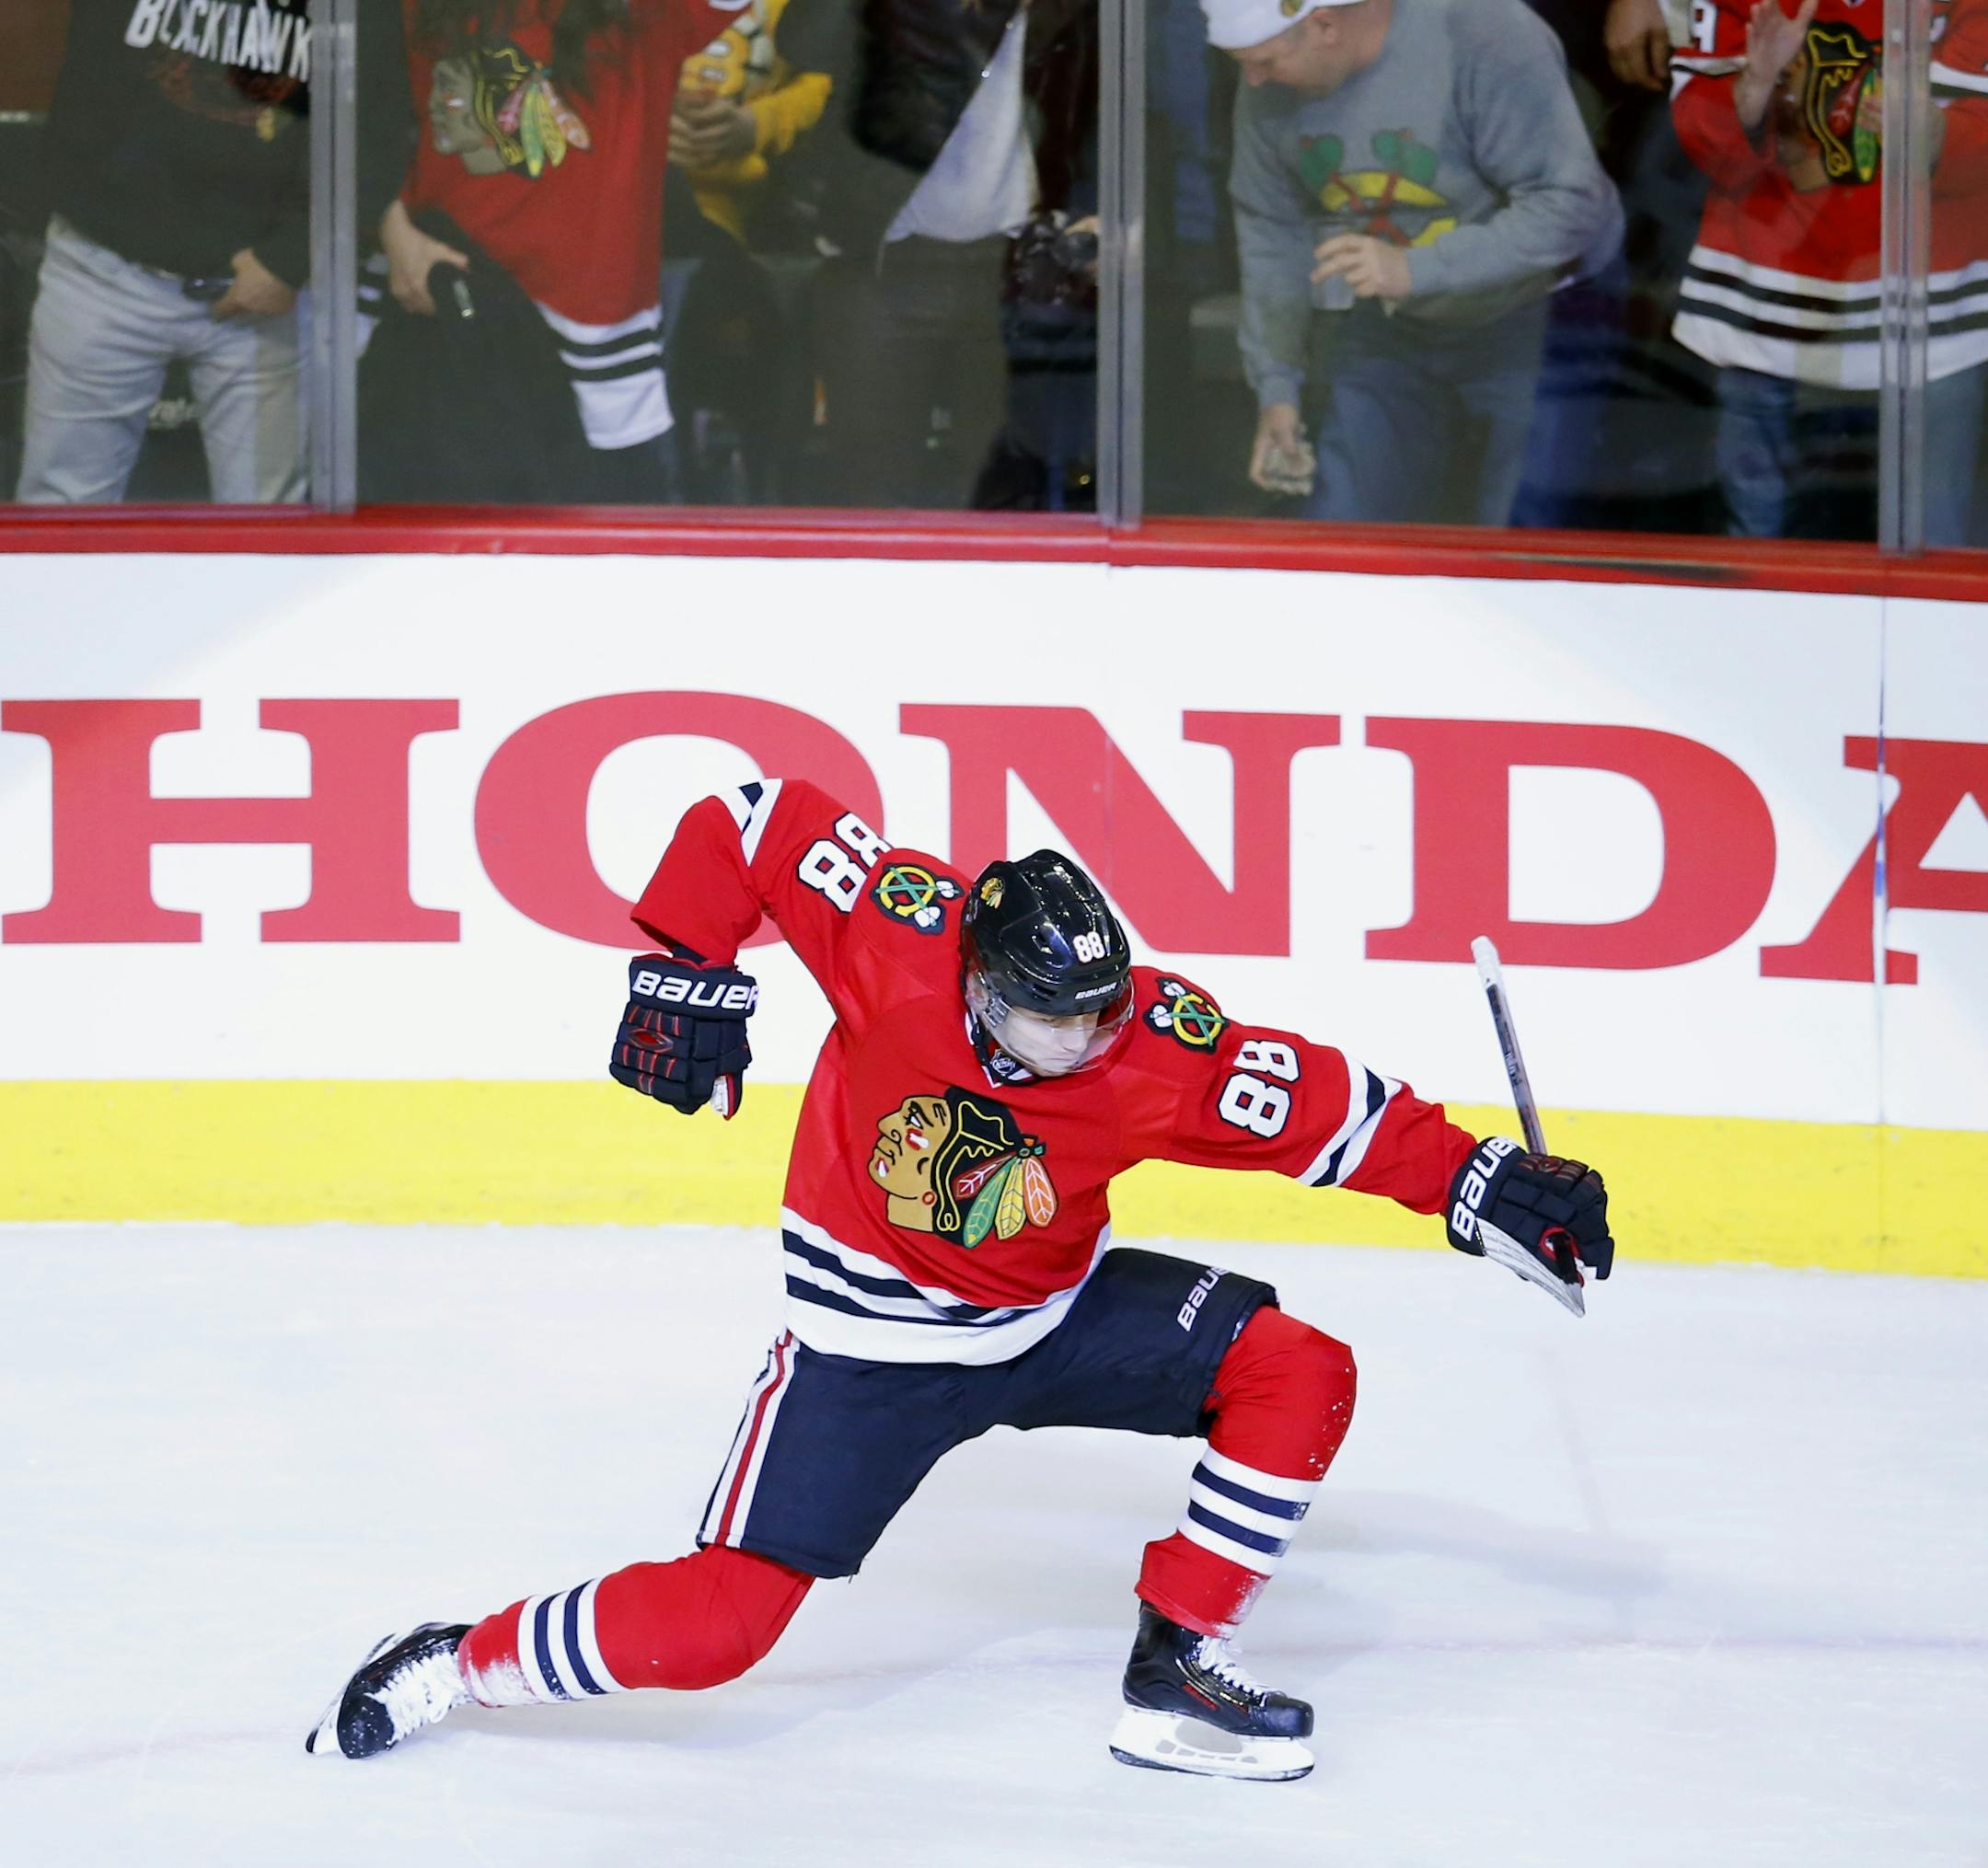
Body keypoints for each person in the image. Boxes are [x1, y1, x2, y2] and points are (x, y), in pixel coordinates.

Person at [307, 778, 1615, 1782]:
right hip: (864, 1351)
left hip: (1050, 1319)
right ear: (979, 984)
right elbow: (750, 817)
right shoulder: (896, 935)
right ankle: (453, 1660)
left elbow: (1325, 1107)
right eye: (1059, 1016)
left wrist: (1481, 1179)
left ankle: (1178, 1668)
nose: (1091, 1036)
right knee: (714, 1632)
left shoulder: (1147, 1043)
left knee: (1299, 1367)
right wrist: (684, 959)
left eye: (1104, 1008)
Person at [1212, 0, 1622, 526]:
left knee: (1525, 535)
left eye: (1265, 62)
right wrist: (1277, 392)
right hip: (1394, 313)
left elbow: (1569, 206)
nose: (1254, 81)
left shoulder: (1486, 33)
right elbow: (1273, 235)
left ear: (1324, 26)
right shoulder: (1267, 82)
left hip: (1542, 303)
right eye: (1242, 63)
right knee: (1346, 525)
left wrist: (1415, 269)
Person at [15, 0, 409, 504]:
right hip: (103, 266)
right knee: (59, 514)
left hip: (265, 286)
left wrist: (291, 258)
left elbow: (376, 131)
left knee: (267, 527)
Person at [381, 0, 745, 503]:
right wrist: (387, 224)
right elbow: (346, 108)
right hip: (439, 311)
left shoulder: (646, 13)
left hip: (591, 339)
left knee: (602, 567)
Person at [1670, 0, 1988, 543]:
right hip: (1760, 308)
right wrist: (1752, 88)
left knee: (1934, 559)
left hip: (1935, 317)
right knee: (1755, 569)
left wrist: (1933, 134)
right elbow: (1704, 140)